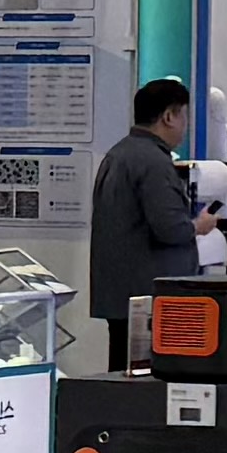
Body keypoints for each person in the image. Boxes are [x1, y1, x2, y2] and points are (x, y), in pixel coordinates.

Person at [86, 75, 202, 367]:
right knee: (149, 380)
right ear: (168, 117)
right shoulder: (153, 162)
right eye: (183, 116)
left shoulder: (118, 154)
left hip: (120, 295)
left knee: (122, 375)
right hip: (149, 300)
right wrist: (197, 226)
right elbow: (170, 228)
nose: (185, 127)